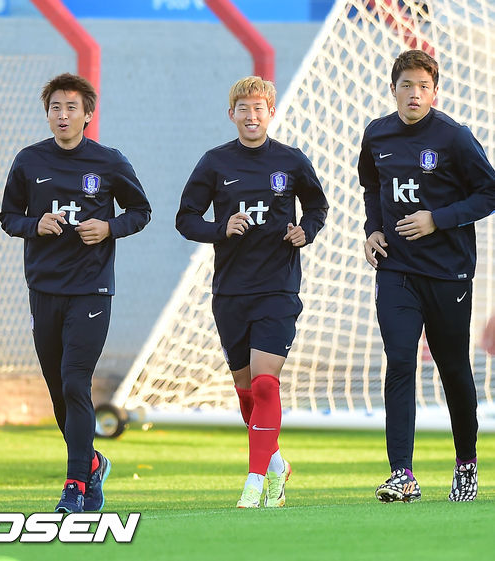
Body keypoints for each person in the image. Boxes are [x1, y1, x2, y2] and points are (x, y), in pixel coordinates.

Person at [0, 73, 151, 513]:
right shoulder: (29, 160)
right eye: (55, 108)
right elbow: (8, 216)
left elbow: (140, 211)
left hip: (91, 289)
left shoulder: (109, 162)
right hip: (44, 289)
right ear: (47, 114)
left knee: (74, 381)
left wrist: (109, 227)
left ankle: (75, 486)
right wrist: (35, 224)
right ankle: (94, 463)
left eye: (71, 107)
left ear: (88, 114)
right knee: (58, 392)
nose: (62, 115)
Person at [176, 76, 328, 508]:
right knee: (246, 393)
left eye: (259, 108)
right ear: (232, 115)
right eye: (243, 108)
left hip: (278, 288)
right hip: (230, 291)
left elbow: (317, 206)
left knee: (264, 384)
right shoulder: (214, 163)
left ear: (270, 113)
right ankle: (277, 463)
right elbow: (185, 218)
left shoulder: (291, 160)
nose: (251, 115)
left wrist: (306, 231)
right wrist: (219, 228)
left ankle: (255, 481)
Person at [358, 50, 495, 503]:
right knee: (399, 361)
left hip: (448, 273)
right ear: (392, 89)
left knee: (453, 369)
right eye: (406, 85)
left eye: (423, 86)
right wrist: (372, 228)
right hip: (396, 269)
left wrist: (437, 219)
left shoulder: (455, 137)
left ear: (435, 92)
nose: (414, 93)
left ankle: (466, 464)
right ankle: (402, 474)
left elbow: (489, 193)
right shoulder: (376, 134)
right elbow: (372, 185)